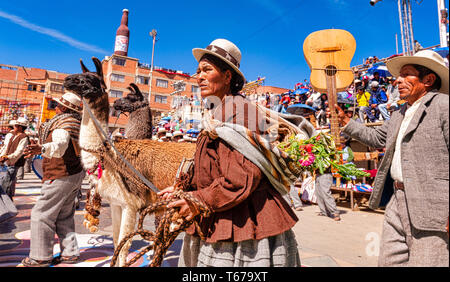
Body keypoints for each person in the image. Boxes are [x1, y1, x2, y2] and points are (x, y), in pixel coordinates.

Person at [159, 38, 301, 267]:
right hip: (217, 214)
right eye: (198, 71)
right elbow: (209, 166)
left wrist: (197, 200)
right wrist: (182, 189)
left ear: (227, 77)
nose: (199, 76)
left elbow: (240, 179)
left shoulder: (240, 111)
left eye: (207, 70)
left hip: (244, 227)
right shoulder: (216, 113)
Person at [329, 50, 449, 266]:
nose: (398, 81)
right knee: (389, 261)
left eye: (406, 75)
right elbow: (377, 137)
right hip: (398, 198)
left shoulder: (443, 106)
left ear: (428, 80)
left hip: (434, 204)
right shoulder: (399, 113)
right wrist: (347, 121)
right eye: (399, 76)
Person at [21, 92, 85, 267]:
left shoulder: (63, 124)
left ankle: (40, 257)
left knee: (41, 215)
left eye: (56, 105)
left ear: (64, 108)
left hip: (60, 174)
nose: (54, 107)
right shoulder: (75, 123)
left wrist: (41, 148)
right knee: (64, 216)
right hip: (73, 174)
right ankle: (70, 254)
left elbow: (60, 145)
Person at [0, 118, 29, 199]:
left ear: (20, 127)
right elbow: (7, 148)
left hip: (13, 163)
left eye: (15, 126)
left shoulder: (24, 137)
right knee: (5, 183)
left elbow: (19, 151)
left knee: (7, 185)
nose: (14, 128)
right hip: (7, 162)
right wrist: (2, 156)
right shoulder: (13, 136)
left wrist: (8, 157)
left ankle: (7, 203)